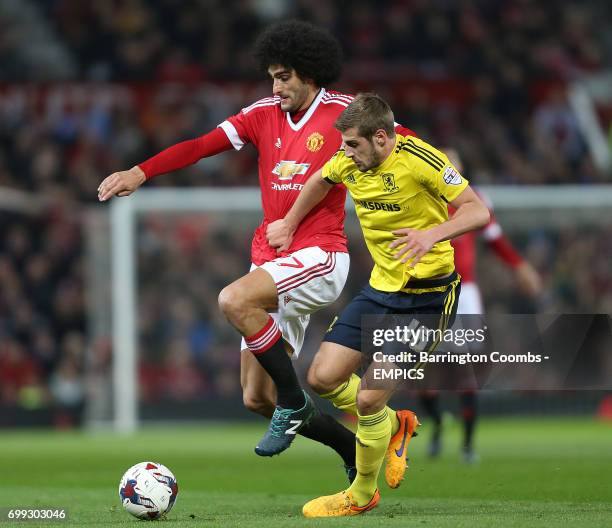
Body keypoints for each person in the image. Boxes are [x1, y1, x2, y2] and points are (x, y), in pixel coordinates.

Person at [97, 20, 417, 485]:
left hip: (320, 252)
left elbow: (401, 139)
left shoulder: (345, 112)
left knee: (233, 300)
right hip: (271, 254)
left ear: (310, 74)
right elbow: (200, 145)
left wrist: (442, 189)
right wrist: (141, 172)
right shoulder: (261, 113)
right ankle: (350, 446)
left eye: (284, 76)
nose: (276, 86)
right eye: (272, 76)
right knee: (255, 398)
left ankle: (294, 401)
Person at [266, 93, 490, 517]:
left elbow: (477, 212)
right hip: (379, 291)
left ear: (381, 138)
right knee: (322, 378)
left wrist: (432, 235)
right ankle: (395, 423)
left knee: (368, 399)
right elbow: (318, 181)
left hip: (428, 298)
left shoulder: (422, 159)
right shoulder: (350, 161)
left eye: (352, 144)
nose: (345, 152)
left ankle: (361, 492)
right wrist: (291, 222)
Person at [420, 148, 543, 463]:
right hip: (426, 292)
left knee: (465, 370)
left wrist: (520, 267)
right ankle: (435, 423)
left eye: (455, 164)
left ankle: (467, 445)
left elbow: (497, 242)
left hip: (465, 294)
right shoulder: (422, 199)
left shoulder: (475, 200)